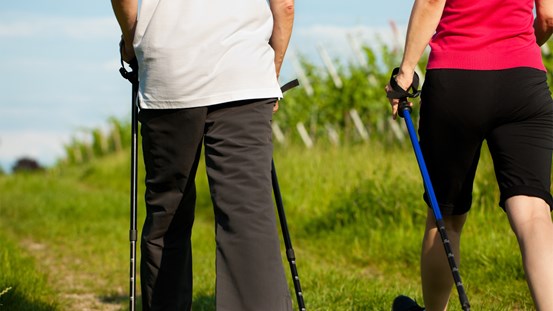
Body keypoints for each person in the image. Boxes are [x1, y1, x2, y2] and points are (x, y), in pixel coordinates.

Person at [111, 0, 295, 310]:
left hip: (169, 69)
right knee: (247, 213)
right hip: (245, 72)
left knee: (168, 209)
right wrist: (271, 70)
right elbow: (285, 6)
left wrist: (132, 42)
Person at [385, 0, 553, 310]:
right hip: (523, 78)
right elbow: (548, 16)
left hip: (456, 75)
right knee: (532, 212)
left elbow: (433, 1)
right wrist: (517, 49)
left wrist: (405, 72)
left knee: (445, 217)